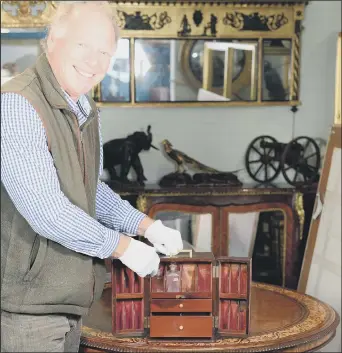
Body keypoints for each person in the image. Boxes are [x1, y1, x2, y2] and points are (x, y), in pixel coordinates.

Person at [0, 2, 183, 352]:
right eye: (83, 45)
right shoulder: (18, 104)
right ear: (53, 39)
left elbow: (89, 191)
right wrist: (124, 247)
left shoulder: (83, 108)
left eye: (105, 52)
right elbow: (48, 212)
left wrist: (146, 226)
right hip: (27, 309)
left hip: (67, 300)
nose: (94, 62)